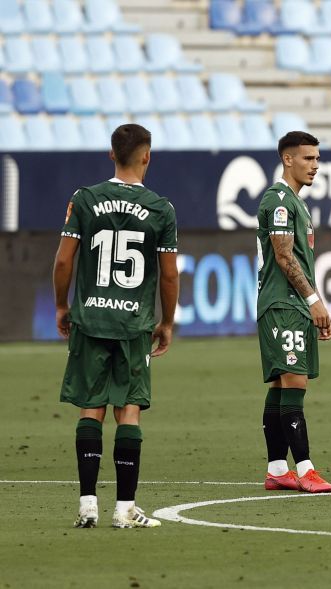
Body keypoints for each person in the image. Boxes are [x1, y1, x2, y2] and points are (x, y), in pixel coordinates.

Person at [56, 123, 178, 528]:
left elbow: (62, 261)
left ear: (111, 154)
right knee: (128, 411)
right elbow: (169, 275)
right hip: (133, 325)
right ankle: (124, 509)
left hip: (90, 318)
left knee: (91, 409)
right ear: (147, 156)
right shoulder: (161, 208)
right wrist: (168, 322)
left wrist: (61, 305)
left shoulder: (85, 199)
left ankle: (87, 503)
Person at [256, 131, 331, 494]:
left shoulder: (296, 203)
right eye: (308, 158)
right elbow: (284, 257)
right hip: (283, 304)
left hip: (290, 305)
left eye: (317, 159)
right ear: (288, 159)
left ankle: (277, 469)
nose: (315, 165)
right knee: (294, 383)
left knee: (280, 385)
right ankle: (305, 469)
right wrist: (313, 299)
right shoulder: (280, 202)